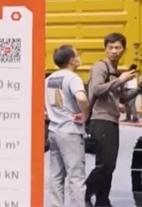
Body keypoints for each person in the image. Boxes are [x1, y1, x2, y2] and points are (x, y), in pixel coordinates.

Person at [85, 32, 141, 207]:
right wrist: (121, 80)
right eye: (111, 48)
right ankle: (84, 192)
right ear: (105, 49)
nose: (114, 51)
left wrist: (140, 87)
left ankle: (103, 201)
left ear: (124, 50)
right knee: (105, 164)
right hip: (100, 118)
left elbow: (122, 98)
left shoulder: (117, 72)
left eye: (118, 48)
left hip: (112, 120)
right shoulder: (100, 67)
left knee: (110, 165)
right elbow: (96, 89)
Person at [46, 44, 89, 207]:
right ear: (72, 60)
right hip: (70, 131)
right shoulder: (73, 78)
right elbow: (81, 98)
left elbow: (51, 103)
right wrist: (85, 114)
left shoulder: (50, 79)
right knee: (76, 177)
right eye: (77, 55)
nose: (79, 58)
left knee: (56, 176)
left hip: (54, 131)